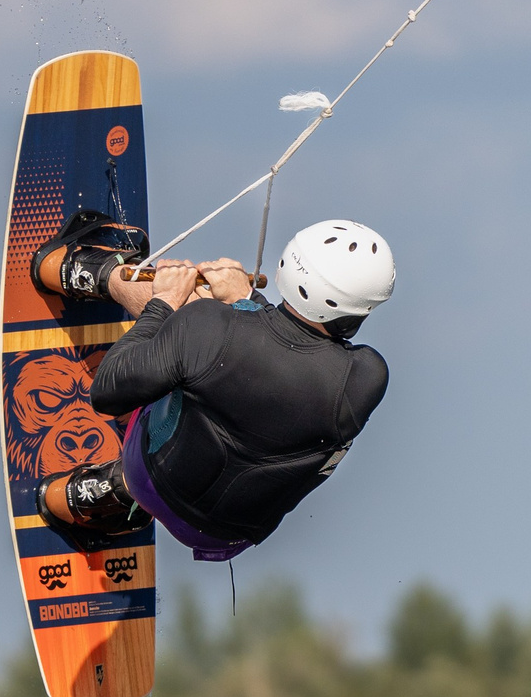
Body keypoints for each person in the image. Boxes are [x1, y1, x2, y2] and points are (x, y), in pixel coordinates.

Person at [27, 214, 394, 560]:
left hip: (149, 478)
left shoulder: (208, 325)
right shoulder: (367, 378)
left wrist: (165, 300)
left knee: (188, 306)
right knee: (231, 394)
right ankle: (96, 496)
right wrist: (247, 303)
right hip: (229, 535)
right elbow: (283, 365)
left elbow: (107, 391)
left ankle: (82, 271)